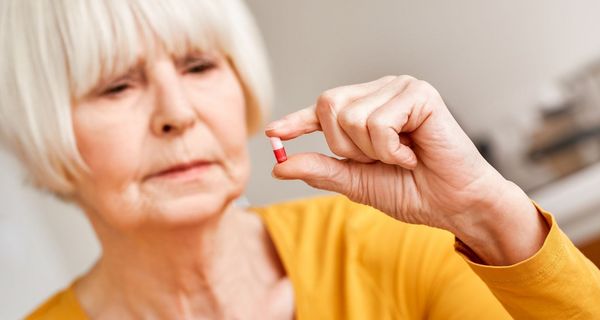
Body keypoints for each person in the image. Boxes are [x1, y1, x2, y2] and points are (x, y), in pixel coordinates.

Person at [0, 0, 598, 319]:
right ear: (39, 129)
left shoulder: (393, 247)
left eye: (199, 66)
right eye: (115, 87)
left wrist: (486, 213)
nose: (176, 113)